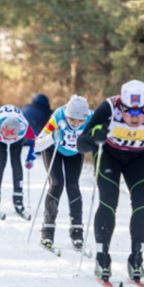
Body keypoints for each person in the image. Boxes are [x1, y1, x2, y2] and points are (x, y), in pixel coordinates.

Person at [77, 80, 144, 281]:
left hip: (138, 159)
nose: (134, 117)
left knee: (141, 203)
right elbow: (81, 145)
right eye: (128, 112)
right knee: (108, 201)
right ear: (121, 107)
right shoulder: (108, 108)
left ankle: (136, 258)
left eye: (140, 112)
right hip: (109, 156)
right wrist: (94, 136)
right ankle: (102, 257)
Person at [35, 95, 92, 252]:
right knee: (57, 183)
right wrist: (52, 137)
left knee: (73, 185)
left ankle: (77, 232)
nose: (75, 124)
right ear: (67, 115)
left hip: (74, 153)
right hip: (54, 150)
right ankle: (47, 231)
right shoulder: (58, 116)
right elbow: (37, 146)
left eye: (80, 121)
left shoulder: (92, 118)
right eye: (72, 120)